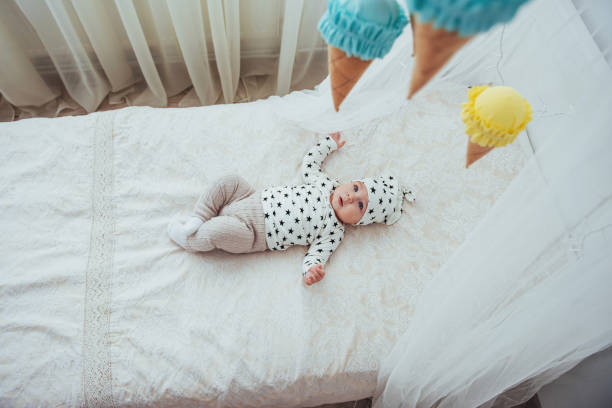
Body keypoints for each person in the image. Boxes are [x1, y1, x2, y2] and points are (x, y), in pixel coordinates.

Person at [168, 132, 415, 286]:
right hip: (249, 197)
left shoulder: (334, 232)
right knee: (228, 181)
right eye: (356, 188)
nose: (351, 197)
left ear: (360, 221)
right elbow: (310, 164)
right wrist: (327, 145)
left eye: (360, 205)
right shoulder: (325, 184)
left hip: (253, 234)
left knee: (219, 231)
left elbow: (316, 256)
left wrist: (312, 272)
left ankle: (190, 239)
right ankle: (197, 218)